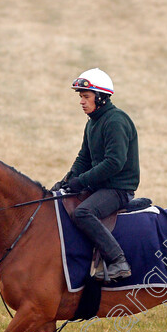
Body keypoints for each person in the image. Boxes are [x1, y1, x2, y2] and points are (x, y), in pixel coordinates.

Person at [52, 68, 140, 282]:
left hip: (118, 189)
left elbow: (114, 163)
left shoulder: (115, 121)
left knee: (82, 212)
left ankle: (118, 261)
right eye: (81, 97)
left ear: (100, 97)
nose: (82, 101)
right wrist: (65, 182)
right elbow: (83, 158)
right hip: (100, 186)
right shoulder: (93, 122)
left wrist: (80, 182)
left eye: (86, 96)